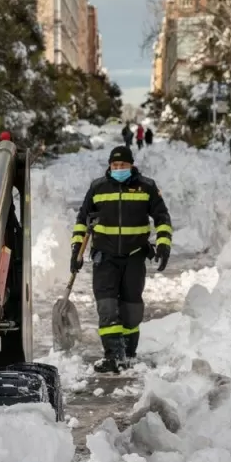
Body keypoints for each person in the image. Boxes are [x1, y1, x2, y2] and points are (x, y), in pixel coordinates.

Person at [70, 145, 172, 373]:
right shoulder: (97, 187)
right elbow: (81, 220)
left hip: (134, 257)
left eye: (123, 165)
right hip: (104, 258)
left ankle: (128, 354)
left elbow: (162, 217)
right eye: (115, 165)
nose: (118, 169)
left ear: (131, 165)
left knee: (131, 310)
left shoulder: (146, 187)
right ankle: (113, 356)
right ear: (109, 165)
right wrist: (76, 249)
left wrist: (164, 245)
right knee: (106, 307)